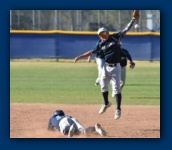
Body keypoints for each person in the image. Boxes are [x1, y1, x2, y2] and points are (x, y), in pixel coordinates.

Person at [74, 10, 139, 120]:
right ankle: (106, 103)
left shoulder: (116, 37)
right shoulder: (100, 44)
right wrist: (80, 57)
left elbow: (126, 29)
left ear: (108, 32)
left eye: (104, 33)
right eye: (101, 34)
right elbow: (91, 52)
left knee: (117, 89)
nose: (103, 35)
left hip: (116, 68)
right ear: (99, 36)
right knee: (103, 86)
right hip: (106, 67)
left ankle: (118, 109)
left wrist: (133, 19)